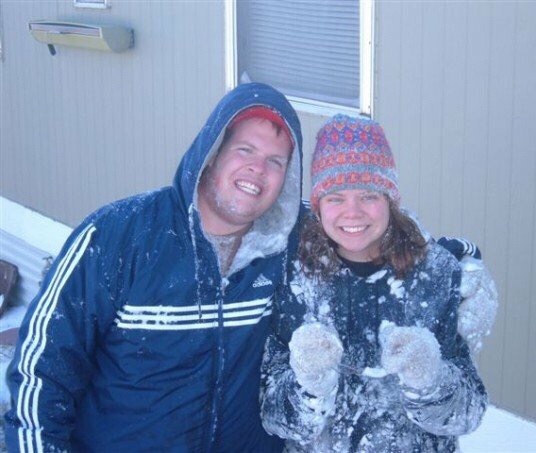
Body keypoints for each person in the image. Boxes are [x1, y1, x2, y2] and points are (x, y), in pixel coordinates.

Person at [4, 82, 303, 452]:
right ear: (212, 154)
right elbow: (44, 368)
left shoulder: (287, 247)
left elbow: (354, 220)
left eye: (276, 162)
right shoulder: (117, 236)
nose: (257, 169)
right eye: (245, 150)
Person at [260, 114, 490, 452]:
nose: (352, 212)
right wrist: (308, 385)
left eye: (368, 195)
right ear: (318, 206)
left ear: (389, 200)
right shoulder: (296, 278)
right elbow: (273, 416)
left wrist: (430, 381)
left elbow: (469, 412)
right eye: (336, 197)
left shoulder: (436, 275)